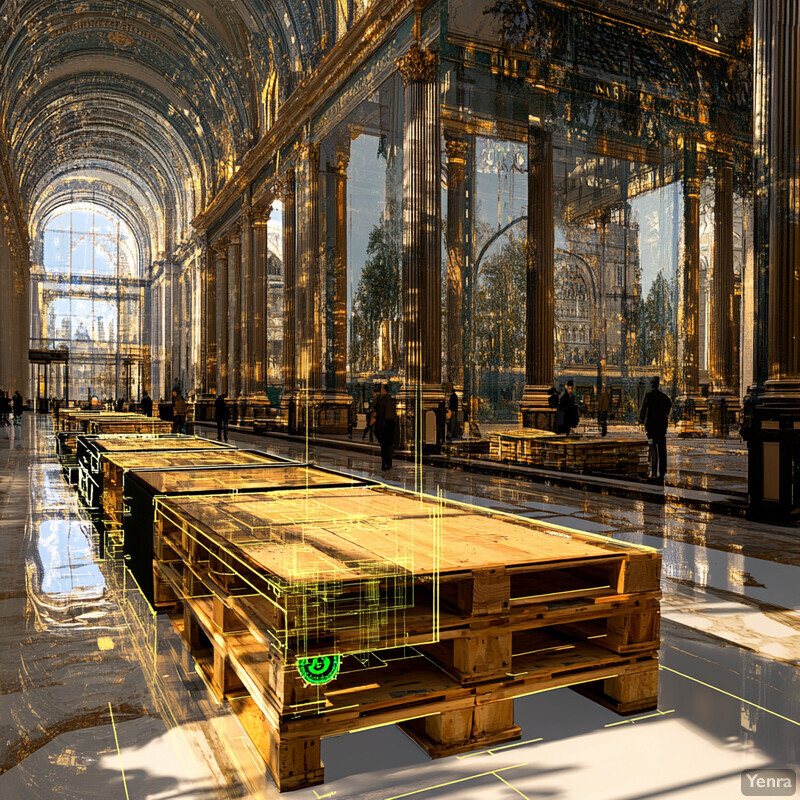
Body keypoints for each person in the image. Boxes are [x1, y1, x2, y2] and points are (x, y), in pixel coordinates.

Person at [639, 376, 672, 482]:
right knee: (662, 449)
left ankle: (653, 472)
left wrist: (641, 420)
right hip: (661, 427)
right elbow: (669, 405)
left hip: (652, 427)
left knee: (653, 449)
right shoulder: (664, 397)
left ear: (652, 384)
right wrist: (665, 414)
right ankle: (662, 472)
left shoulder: (649, 396)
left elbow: (643, 410)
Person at [374, 383, 397, 471]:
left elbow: (374, 411)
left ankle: (385, 463)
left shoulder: (380, 399)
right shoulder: (391, 399)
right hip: (390, 424)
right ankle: (388, 463)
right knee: (389, 445)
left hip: (383, 424)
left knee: (384, 446)